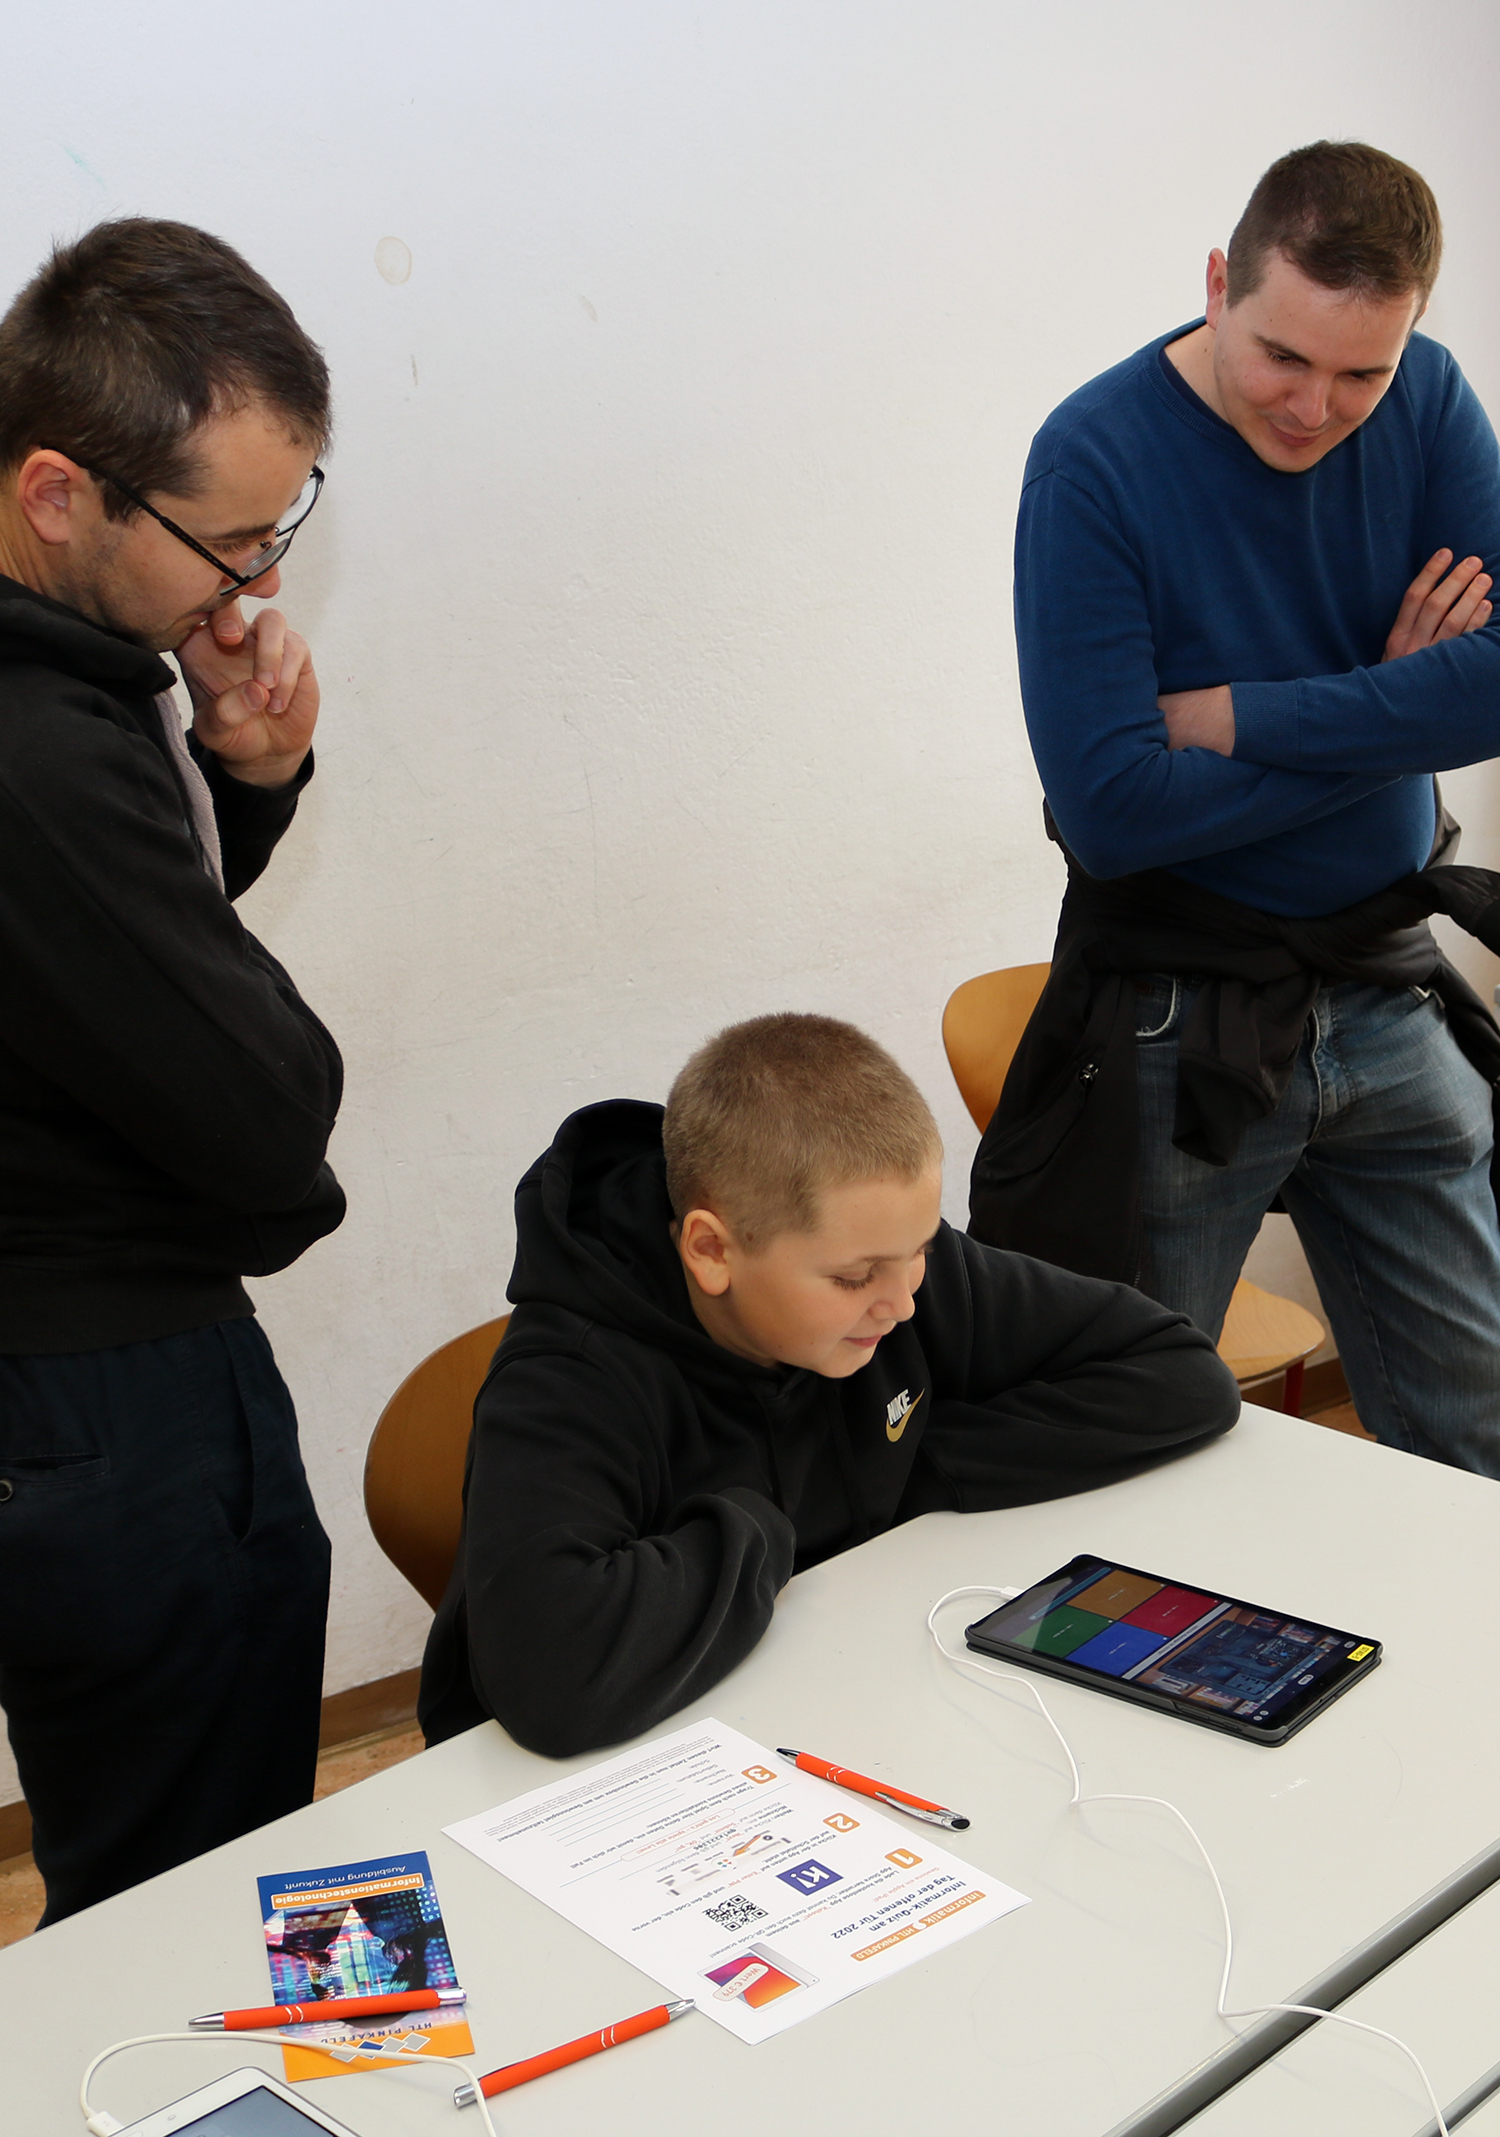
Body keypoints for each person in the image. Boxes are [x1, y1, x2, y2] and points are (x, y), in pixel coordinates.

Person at [970, 140, 1500, 1475]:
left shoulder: (1432, 397)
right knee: (1132, 1449)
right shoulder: (1091, 462)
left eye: (1361, 373)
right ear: (1219, 283)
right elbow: (1115, 813)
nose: (1316, 409)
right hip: (1176, 1015)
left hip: (1384, 985)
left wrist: (1243, 715)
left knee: (1479, 1436)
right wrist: (1397, 701)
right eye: (1283, 357)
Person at [420, 1013, 1238, 1759]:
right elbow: (553, 1680)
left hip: (838, 1700)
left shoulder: (893, 1266)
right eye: (853, 1277)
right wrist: (767, 1526)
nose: (903, 1301)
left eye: (921, 1249)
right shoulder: (569, 1379)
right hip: (586, 1785)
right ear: (712, 1250)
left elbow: (1179, 1372)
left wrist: (910, 1476)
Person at [0, 219, 344, 1922]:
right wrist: (282, 1076)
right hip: (104, 1393)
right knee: (192, 1889)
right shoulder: (37, 750)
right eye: (227, 543)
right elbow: (269, 1108)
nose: (255, 584)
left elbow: (88, 978)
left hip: (62, 1370)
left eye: (284, 529)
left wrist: (243, 780)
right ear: (59, 492)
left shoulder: (74, 692)